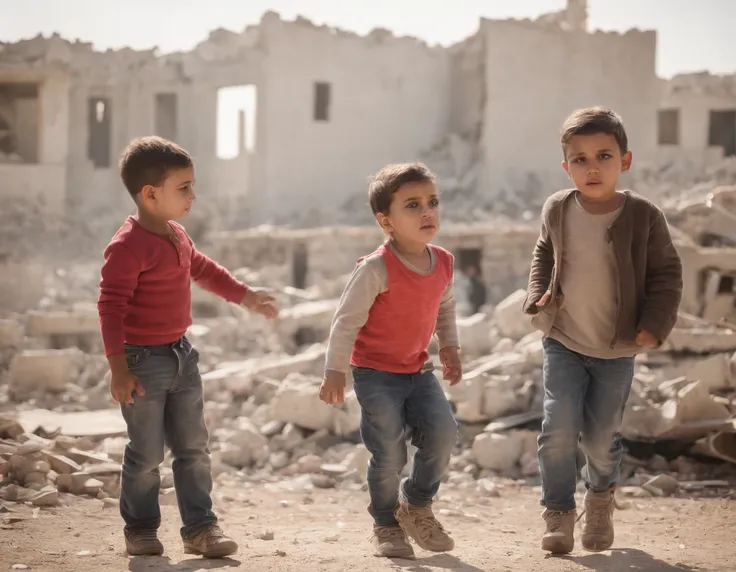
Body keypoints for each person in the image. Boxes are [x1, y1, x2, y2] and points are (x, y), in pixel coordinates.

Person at [97, 136, 279, 558]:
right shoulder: (126, 248)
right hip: (142, 363)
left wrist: (245, 295)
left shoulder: (178, 234)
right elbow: (110, 307)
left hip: (183, 356)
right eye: (184, 188)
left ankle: (200, 528)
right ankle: (140, 529)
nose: (193, 196)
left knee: (194, 447)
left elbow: (204, 270)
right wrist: (118, 367)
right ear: (150, 194)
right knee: (145, 453)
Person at [522, 107, 682, 554]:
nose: (592, 168)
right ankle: (557, 512)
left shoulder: (644, 215)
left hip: (617, 348)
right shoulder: (558, 207)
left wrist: (654, 324)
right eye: (580, 159)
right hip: (563, 339)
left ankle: (599, 497)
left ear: (625, 161)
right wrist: (537, 293)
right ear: (566, 165)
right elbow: (543, 253)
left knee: (599, 436)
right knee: (557, 428)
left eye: (604, 156)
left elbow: (667, 273)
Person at [319, 163, 461, 560]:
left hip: (418, 370)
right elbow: (346, 322)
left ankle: (415, 504)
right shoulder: (376, 268)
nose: (427, 212)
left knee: (444, 433)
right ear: (387, 221)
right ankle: (386, 524)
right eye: (412, 205)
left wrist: (449, 347)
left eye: (432, 202)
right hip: (376, 375)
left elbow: (444, 307)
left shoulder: (444, 262)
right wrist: (335, 370)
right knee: (389, 453)